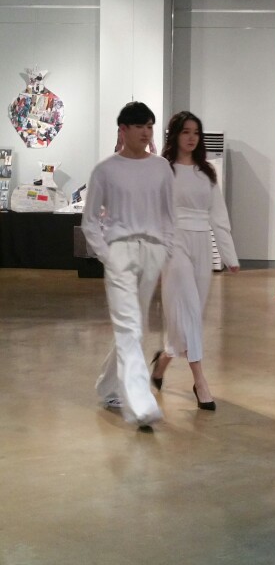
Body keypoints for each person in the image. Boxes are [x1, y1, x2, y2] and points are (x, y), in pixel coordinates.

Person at [82, 102, 175, 431]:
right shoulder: (105, 170)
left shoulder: (161, 167)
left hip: (152, 252)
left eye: (149, 125)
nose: (146, 132)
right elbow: (90, 220)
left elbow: (169, 215)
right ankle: (141, 404)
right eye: (139, 126)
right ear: (123, 129)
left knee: (134, 327)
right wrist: (107, 255)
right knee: (129, 327)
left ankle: (108, 388)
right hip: (120, 251)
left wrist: (165, 250)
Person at [152, 110, 239, 410]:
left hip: (202, 242)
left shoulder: (207, 172)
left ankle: (163, 361)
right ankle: (200, 381)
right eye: (186, 132)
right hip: (174, 242)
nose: (191, 138)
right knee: (188, 308)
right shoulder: (163, 170)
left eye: (196, 133)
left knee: (190, 315)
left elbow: (219, 216)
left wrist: (229, 256)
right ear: (175, 135)